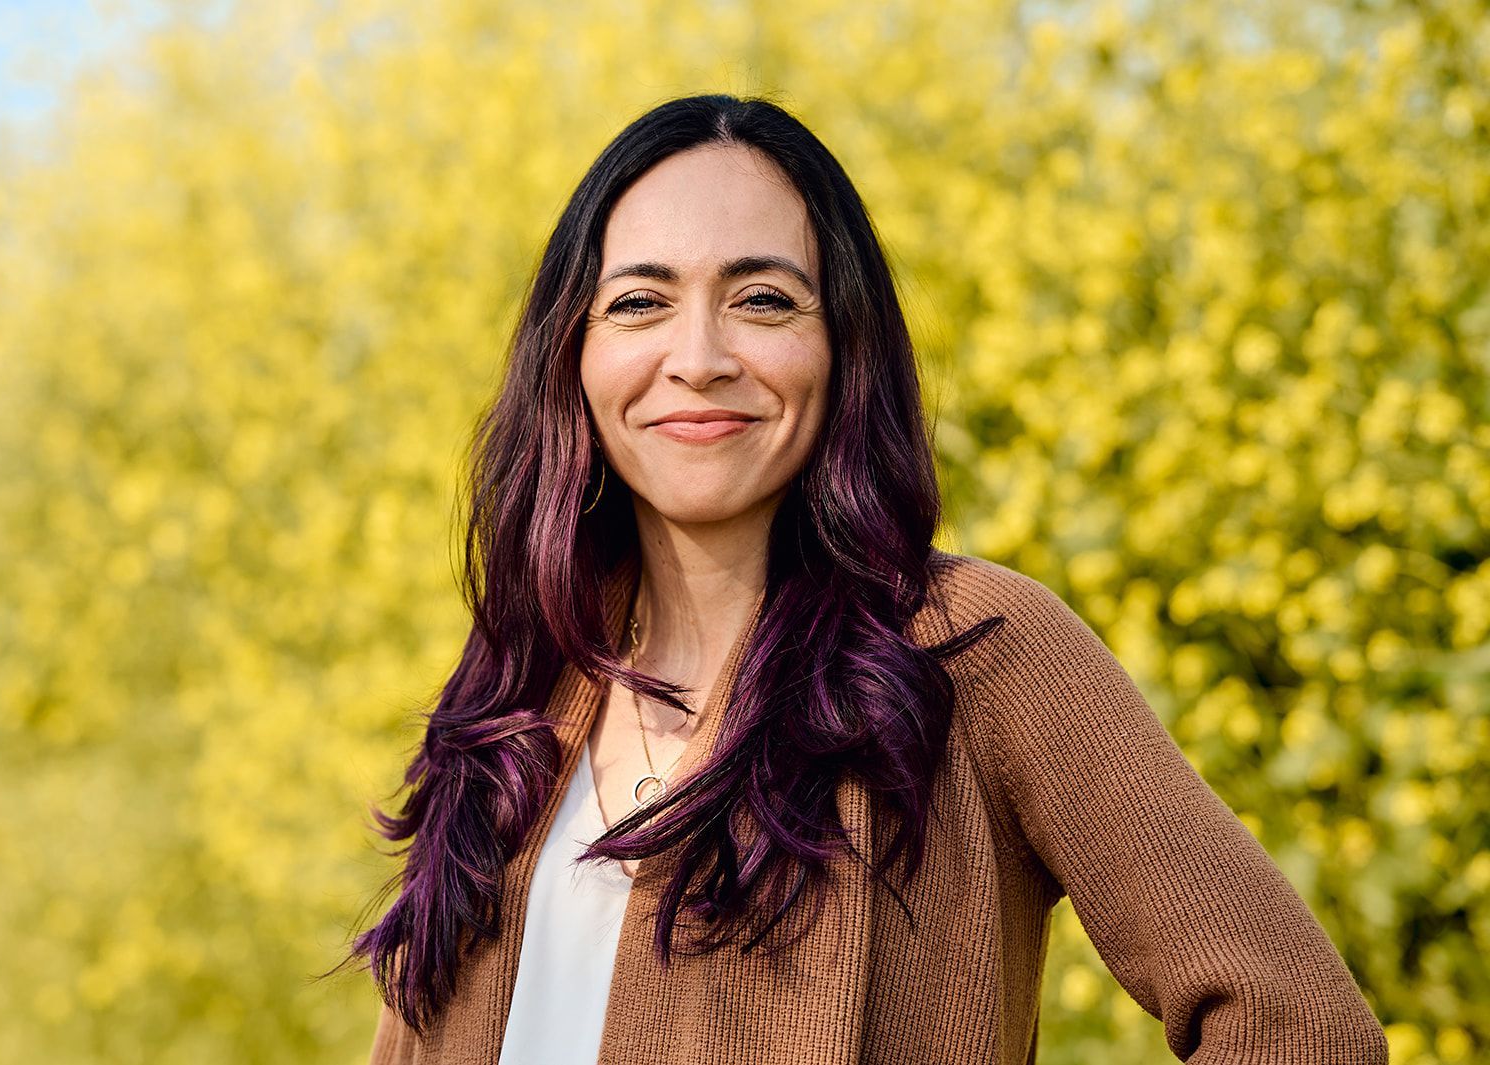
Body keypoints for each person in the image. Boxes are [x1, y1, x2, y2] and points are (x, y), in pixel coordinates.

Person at [335, 93, 1387, 1064]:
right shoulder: (514, 695)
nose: (697, 356)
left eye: (761, 298)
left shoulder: (970, 649)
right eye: (640, 302)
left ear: (843, 347)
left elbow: (1294, 1025)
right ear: (571, 352)